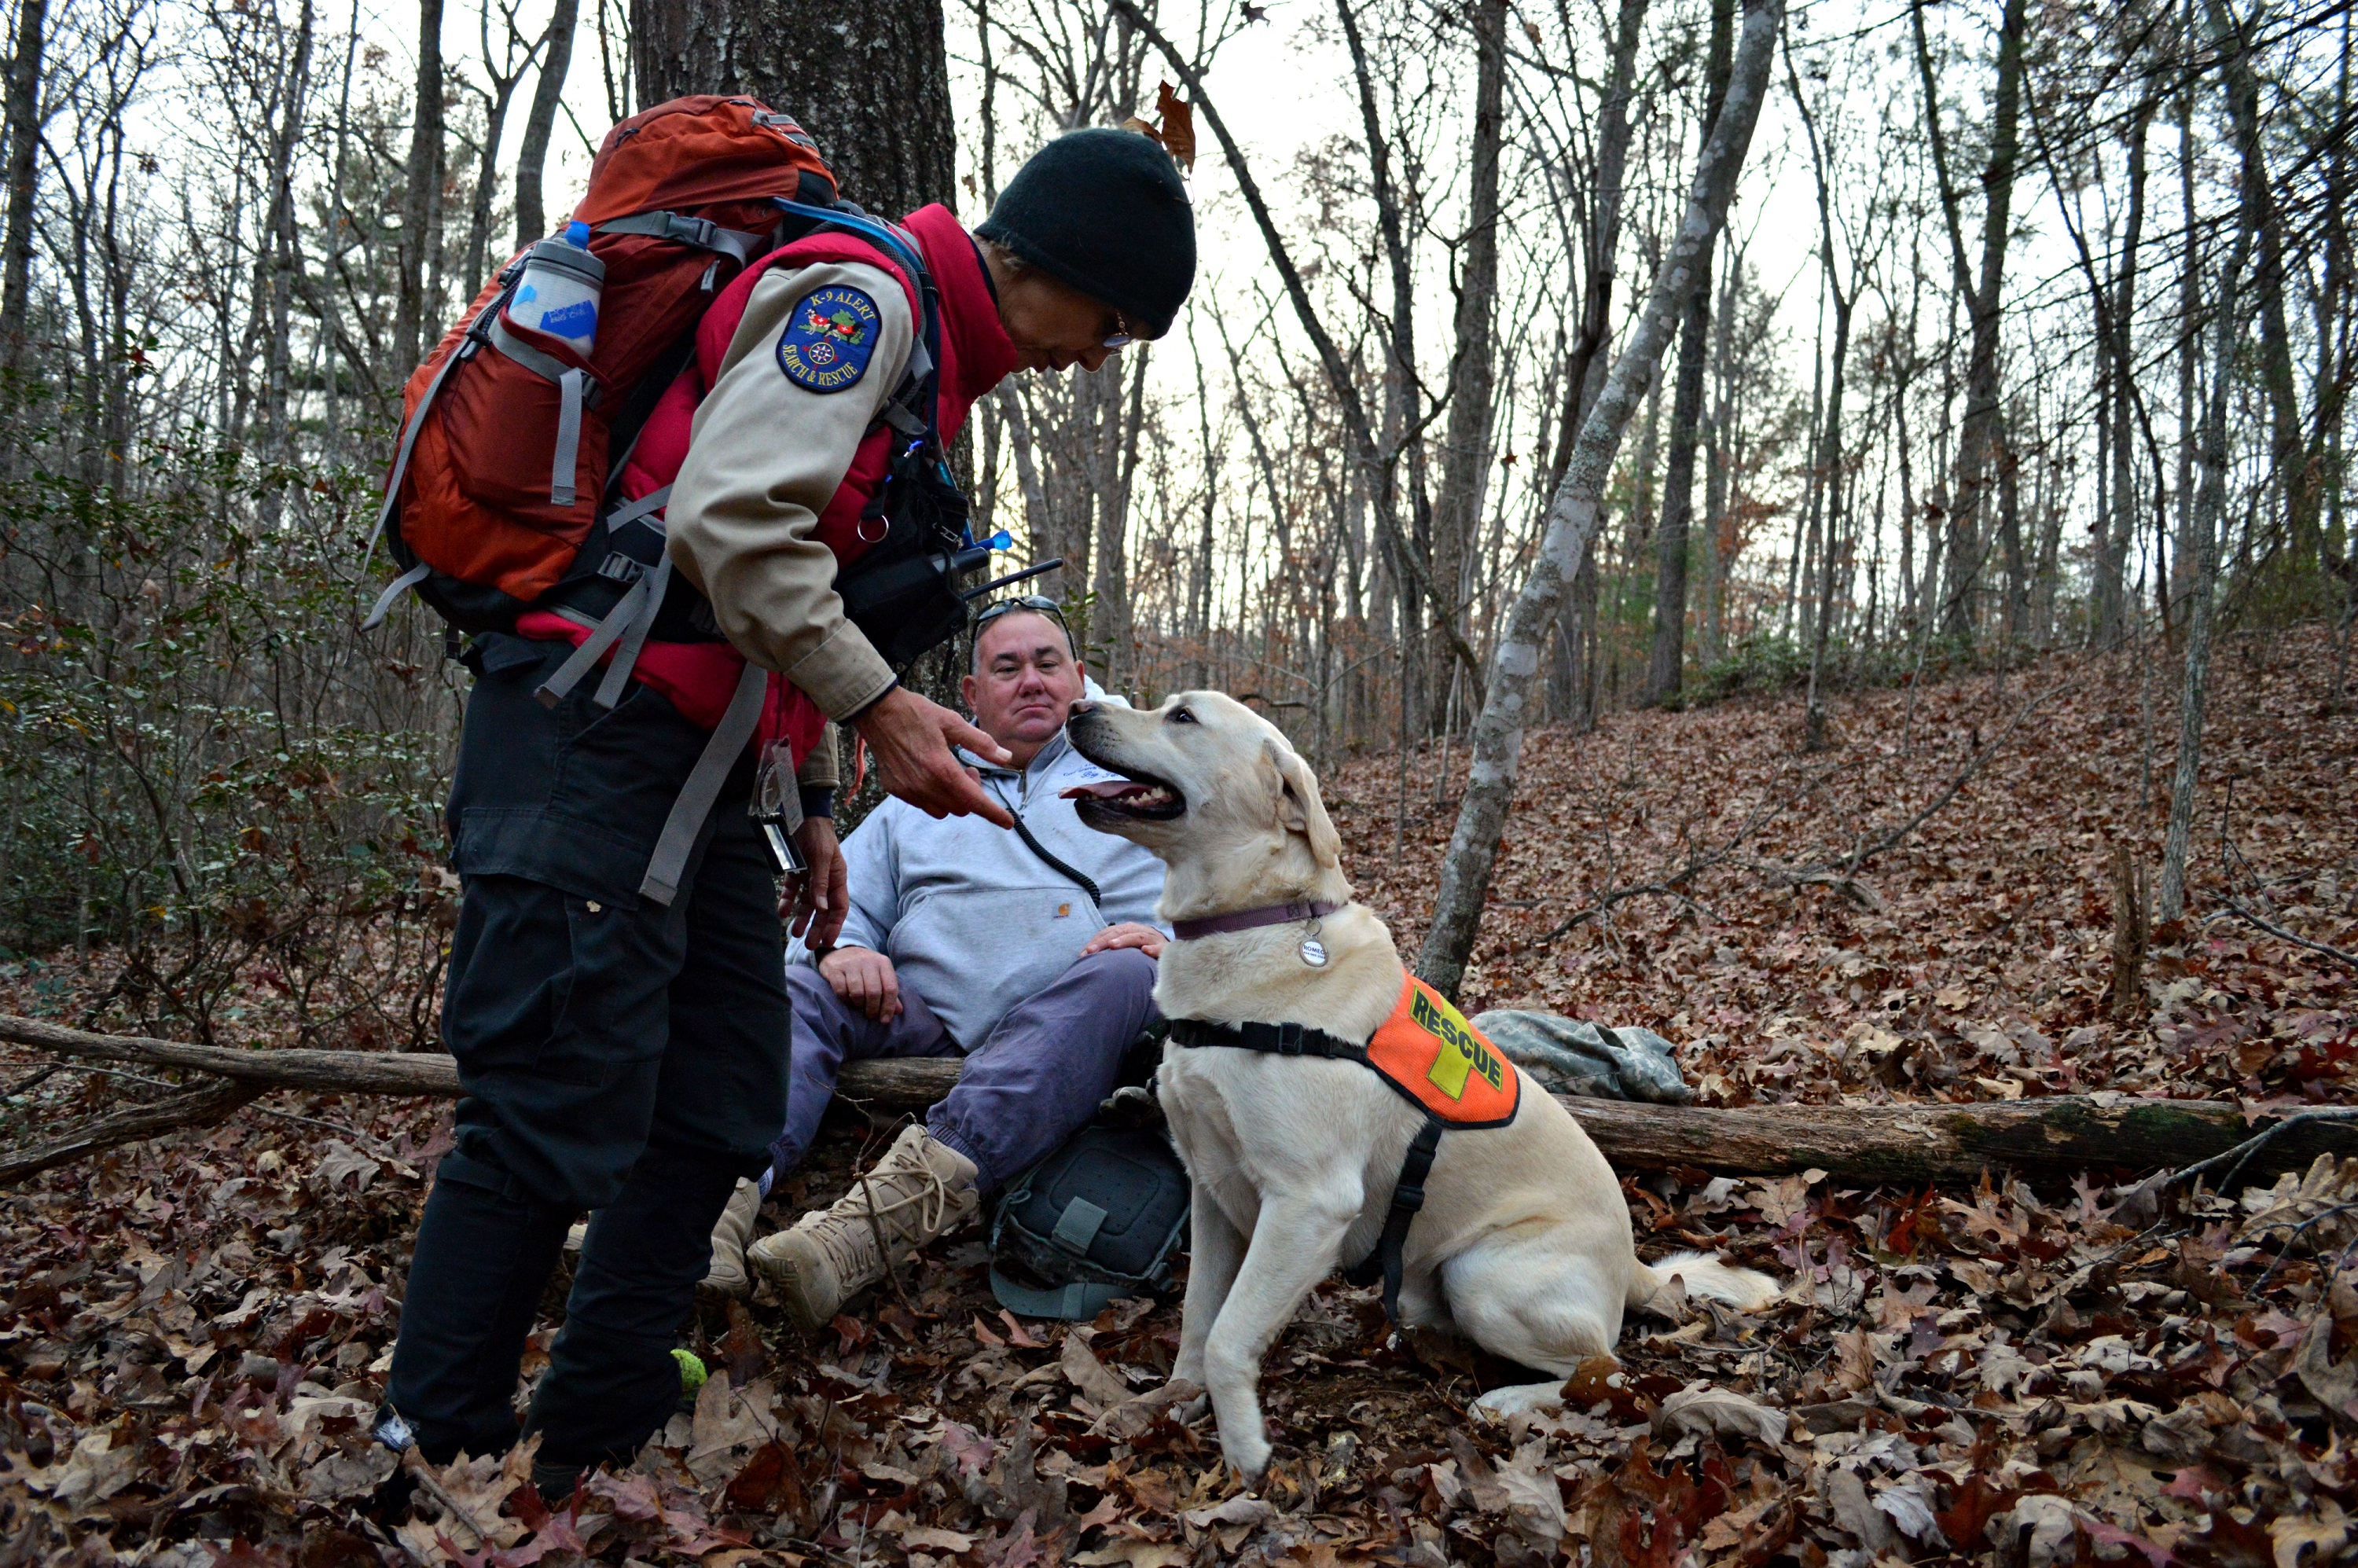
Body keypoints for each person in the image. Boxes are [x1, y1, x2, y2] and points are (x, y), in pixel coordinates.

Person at [382, 129, 1196, 1495]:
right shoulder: (864, 304)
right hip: (590, 738)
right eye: (1106, 323)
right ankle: (437, 1452)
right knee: (549, 1099)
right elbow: (733, 530)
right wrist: (879, 709)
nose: (1094, 357)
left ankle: (598, 1425)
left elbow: (774, 602)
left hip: (703, 777)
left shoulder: (926, 365)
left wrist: (813, 795)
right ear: (1040, 265)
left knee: (719, 1099)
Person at [718, 600, 1170, 1329]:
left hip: (1089, 1023)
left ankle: (866, 1234)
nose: (1031, 681)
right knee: (804, 988)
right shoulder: (916, 791)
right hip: (927, 1017)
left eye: (1048, 663)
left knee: (1126, 971)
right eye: (1008, 667)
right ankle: (711, 1207)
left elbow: (1241, 891)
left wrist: (1170, 944)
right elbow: (832, 908)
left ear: (1080, 678)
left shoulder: (1147, 774)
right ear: (971, 694)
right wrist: (849, 948)